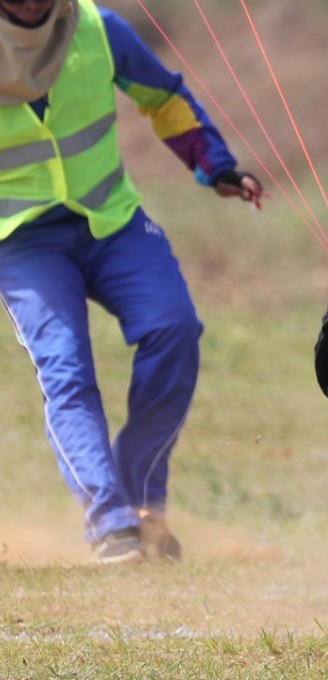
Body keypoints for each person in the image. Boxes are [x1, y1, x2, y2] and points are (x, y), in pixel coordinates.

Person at [0, 0, 263, 564]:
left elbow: (162, 97)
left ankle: (141, 497)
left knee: (176, 328)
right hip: (22, 239)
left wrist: (215, 166)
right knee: (66, 369)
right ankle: (110, 521)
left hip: (111, 222)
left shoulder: (98, 29)